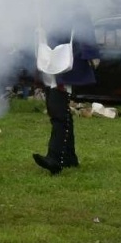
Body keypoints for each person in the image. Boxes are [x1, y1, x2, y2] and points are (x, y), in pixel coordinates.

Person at [33, 16, 101, 175]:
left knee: (58, 112)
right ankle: (69, 157)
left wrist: (91, 53)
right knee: (56, 110)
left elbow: (84, 26)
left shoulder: (72, 0)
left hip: (65, 61)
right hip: (48, 59)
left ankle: (54, 157)